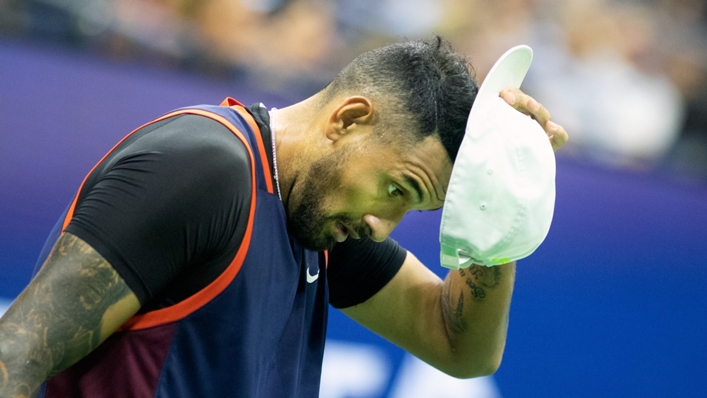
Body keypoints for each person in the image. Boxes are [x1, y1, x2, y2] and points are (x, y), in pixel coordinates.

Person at [0, 37, 567, 397]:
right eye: (396, 188)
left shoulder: (323, 222)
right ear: (348, 118)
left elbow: (459, 345)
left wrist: (501, 196)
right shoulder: (205, 170)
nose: (382, 226)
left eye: (412, 206)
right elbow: (16, 355)